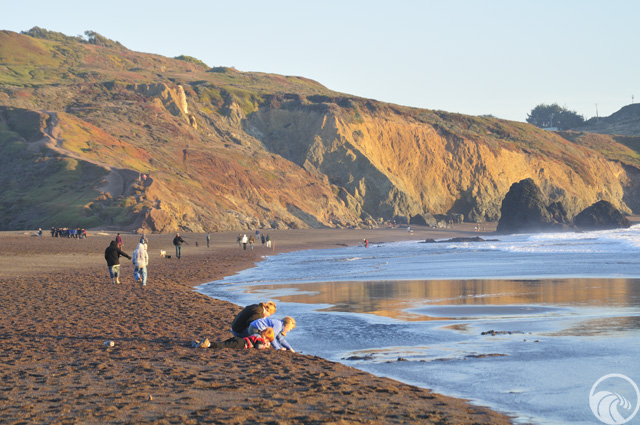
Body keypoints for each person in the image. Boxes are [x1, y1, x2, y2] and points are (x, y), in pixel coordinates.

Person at [196, 328, 275, 350]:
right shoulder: (260, 339)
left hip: (239, 339)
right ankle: (208, 344)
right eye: (267, 340)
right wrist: (266, 346)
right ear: (266, 337)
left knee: (224, 342)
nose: (266, 341)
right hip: (241, 343)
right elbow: (259, 347)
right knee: (225, 345)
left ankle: (203, 343)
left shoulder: (257, 334)